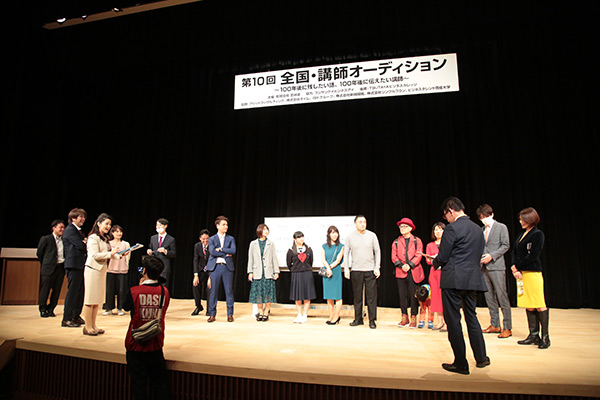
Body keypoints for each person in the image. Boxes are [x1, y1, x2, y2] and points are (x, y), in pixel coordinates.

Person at [433, 197, 489, 375]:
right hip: (472, 279)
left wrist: (435, 262)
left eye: (445, 215)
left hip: (454, 280)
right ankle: (481, 358)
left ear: (450, 210)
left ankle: (461, 363)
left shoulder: (452, 228)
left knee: (453, 321)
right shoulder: (478, 229)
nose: (446, 219)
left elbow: (443, 256)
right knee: (471, 317)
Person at [124, 255, 171, 400]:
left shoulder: (134, 291)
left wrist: (140, 285)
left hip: (135, 344)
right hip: (155, 344)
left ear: (144, 271)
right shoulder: (164, 291)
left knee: (138, 386)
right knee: (160, 384)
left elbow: (125, 307)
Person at [511, 207, 550, 349]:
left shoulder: (537, 234)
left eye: (523, 219)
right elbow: (514, 251)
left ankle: (545, 337)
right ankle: (533, 335)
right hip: (521, 273)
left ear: (530, 219)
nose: (521, 222)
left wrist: (517, 266)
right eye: (520, 219)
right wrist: (513, 266)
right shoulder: (521, 234)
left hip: (532, 272)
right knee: (529, 303)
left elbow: (533, 255)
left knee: (539, 302)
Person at [82, 213, 123, 336]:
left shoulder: (104, 238)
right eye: (106, 224)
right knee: (90, 299)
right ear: (98, 223)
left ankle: (93, 325)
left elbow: (107, 255)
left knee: (96, 300)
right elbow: (95, 255)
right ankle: (87, 326)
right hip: (93, 270)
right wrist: (111, 253)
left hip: (101, 270)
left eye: (109, 224)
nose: (108, 226)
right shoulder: (93, 238)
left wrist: (119, 255)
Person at [476, 204, 512, 339]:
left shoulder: (501, 227)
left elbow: (505, 245)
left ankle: (507, 327)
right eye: (481, 218)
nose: (484, 219)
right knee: (489, 297)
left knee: (502, 296)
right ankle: (495, 324)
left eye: (486, 216)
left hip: (496, 266)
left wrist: (492, 256)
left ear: (492, 215)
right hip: (483, 267)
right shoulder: (481, 230)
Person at [343, 215, 381, 329]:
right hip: (356, 270)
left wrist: (377, 267)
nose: (363, 224)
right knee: (357, 296)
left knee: (371, 297)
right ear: (355, 224)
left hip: (370, 270)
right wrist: (346, 269)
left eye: (364, 222)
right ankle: (358, 319)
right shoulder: (350, 236)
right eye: (360, 222)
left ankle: (372, 320)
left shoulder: (372, 235)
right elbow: (346, 253)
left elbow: (377, 251)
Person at [391, 217, 424, 328]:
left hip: (413, 271)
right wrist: (402, 266)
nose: (402, 228)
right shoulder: (396, 241)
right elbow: (394, 257)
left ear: (410, 228)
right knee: (402, 295)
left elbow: (419, 254)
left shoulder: (417, 241)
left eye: (405, 226)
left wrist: (410, 265)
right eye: (401, 227)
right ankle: (404, 317)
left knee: (413, 295)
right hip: (401, 271)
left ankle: (414, 317)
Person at [206, 216, 236, 322]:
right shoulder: (212, 239)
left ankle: (230, 314)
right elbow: (212, 252)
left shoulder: (231, 238)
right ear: (217, 226)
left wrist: (221, 249)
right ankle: (212, 314)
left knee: (229, 291)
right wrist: (225, 254)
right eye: (223, 224)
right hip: (215, 267)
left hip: (227, 268)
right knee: (213, 291)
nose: (226, 226)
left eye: (226, 225)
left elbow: (233, 250)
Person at [247, 224, 280, 321]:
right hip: (257, 272)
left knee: (268, 293)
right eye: (264, 229)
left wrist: (276, 271)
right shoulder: (253, 244)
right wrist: (250, 272)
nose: (266, 231)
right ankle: (260, 311)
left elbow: (274, 258)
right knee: (258, 293)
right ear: (259, 231)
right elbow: (250, 259)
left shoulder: (271, 243)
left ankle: (266, 311)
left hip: (268, 272)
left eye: (267, 229)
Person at [62, 208, 88, 328]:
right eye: (80, 217)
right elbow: (80, 245)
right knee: (72, 292)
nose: (83, 219)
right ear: (73, 218)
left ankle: (75, 315)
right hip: (73, 265)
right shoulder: (70, 230)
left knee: (80, 292)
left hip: (80, 264)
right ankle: (66, 318)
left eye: (84, 217)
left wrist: (84, 242)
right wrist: (84, 243)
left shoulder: (78, 231)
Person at [36, 219, 66, 318]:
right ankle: (43, 309)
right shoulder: (46, 239)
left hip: (60, 268)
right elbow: (39, 253)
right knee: (45, 289)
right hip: (49, 268)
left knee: (57, 290)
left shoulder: (65, 240)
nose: (62, 229)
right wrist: (46, 263)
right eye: (60, 227)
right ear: (54, 228)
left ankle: (51, 309)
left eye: (63, 227)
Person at [286, 231, 316, 323]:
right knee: (297, 296)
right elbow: (289, 264)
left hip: (307, 274)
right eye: (299, 237)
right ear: (295, 239)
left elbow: (311, 261)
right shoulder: (291, 250)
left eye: (302, 237)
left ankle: (305, 315)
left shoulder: (308, 249)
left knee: (307, 295)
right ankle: (299, 314)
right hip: (296, 274)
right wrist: (295, 270)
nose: (301, 239)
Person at [103, 225, 131, 316]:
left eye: (120, 232)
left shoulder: (125, 244)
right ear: (112, 233)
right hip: (110, 269)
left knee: (121, 290)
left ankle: (120, 308)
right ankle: (108, 308)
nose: (119, 233)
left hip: (122, 269)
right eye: (117, 232)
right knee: (109, 290)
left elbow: (128, 257)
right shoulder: (108, 243)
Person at [423, 222, 446, 331]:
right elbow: (428, 261)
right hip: (434, 273)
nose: (438, 232)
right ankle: (440, 321)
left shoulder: (448, 243)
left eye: (440, 229)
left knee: (445, 297)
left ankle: (447, 322)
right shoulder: (430, 245)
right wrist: (432, 258)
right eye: (436, 229)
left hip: (445, 273)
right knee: (436, 297)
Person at [321, 226, 344, 325]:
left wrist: (330, 268)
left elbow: (338, 260)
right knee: (329, 296)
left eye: (336, 233)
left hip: (336, 272)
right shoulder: (324, 246)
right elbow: (323, 259)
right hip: (327, 272)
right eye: (332, 233)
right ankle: (331, 315)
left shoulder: (341, 246)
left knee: (337, 295)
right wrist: (328, 268)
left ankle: (337, 316)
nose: (335, 235)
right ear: (328, 234)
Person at [147, 218, 176, 287]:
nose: (158, 227)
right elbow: (151, 248)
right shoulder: (153, 238)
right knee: (152, 285)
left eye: (160, 225)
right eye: (157, 225)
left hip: (164, 267)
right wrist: (149, 251)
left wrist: (165, 251)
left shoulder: (171, 239)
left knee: (163, 286)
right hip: (153, 266)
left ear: (165, 226)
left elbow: (174, 253)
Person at [191, 229, 211, 316]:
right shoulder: (197, 246)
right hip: (201, 269)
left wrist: (211, 276)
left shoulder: (212, 246)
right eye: (203, 239)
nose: (205, 240)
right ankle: (198, 306)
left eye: (207, 238)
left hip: (210, 270)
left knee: (210, 288)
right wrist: (195, 275)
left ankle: (209, 309)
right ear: (200, 238)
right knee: (195, 285)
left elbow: (213, 260)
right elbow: (195, 260)